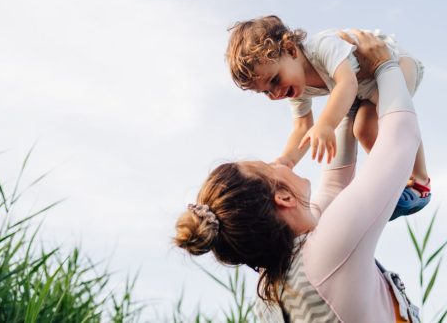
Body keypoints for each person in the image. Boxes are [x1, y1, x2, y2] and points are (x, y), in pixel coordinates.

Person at [176, 30, 423, 322]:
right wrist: (385, 66)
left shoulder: (275, 285)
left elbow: (334, 183)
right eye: (270, 167)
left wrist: (349, 100)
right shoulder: (327, 251)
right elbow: (399, 140)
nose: (283, 163)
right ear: (282, 197)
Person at [225, 15, 430, 220]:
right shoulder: (296, 88)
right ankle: (397, 181)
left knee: (389, 120)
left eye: (275, 80)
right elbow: (302, 127)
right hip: (368, 87)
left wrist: (326, 125)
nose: (276, 93)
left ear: (290, 49)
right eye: (266, 92)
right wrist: (286, 160)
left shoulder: (323, 46)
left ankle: (420, 182)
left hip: (396, 63)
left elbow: (346, 84)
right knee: (363, 130)